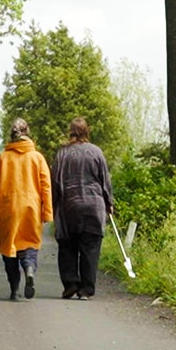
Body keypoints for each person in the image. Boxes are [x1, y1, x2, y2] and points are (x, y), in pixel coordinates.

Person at [0, 116, 52, 300]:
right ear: (27, 133)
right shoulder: (37, 158)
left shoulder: (3, 158)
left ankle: (14, 288)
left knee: (9, 248)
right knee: (29, 243)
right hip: (31, 208)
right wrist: (47, 213)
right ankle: (29, 268)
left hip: (8, 208)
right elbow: (46, 186)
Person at [51, 116, 115, 299]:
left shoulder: (62, 154)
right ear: (87, 131)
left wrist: (53, 205)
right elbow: (105, 180)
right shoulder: (96, 152)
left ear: (70, 132)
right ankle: (86, 289)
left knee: (67, 245)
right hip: (93, 207)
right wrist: (109, 202)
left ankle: (71, 283)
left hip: (69, 206)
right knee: (90, 248)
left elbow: (55, 181)